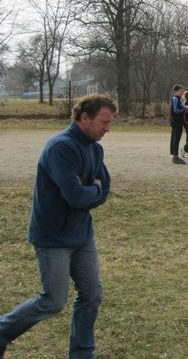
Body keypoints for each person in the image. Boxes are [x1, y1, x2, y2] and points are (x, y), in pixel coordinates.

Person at [0, 94, 116, 359]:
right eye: (104, 122)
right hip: (53, 237)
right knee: (53, 301)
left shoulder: (95, 149)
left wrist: (90, 190)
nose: (107, 129)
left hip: (82, 235)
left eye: (110, 123)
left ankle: (82, 353)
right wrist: (92, 190)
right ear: (84, 118)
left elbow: (104, 189)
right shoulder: (60, 148)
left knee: (91, 294)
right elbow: (75, 196)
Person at [169, 84, 188, 165]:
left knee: (176, 138)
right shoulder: (175, 99)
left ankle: (175, 155)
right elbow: (176, 110)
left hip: (178, 122)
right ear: (175, 91)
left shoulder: (178, 99)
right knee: (176, 138)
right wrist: (184, 108)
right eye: (180, 91)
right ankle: (175, 156)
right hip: (176, 122)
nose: (182, 93)